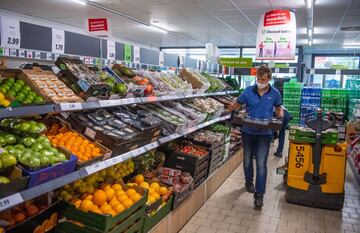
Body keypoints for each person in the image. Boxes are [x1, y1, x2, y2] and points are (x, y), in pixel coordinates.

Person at [229, 65, 283, 208]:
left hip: (264, 134)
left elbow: (278, 108)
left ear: (269, 79)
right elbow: (237, 105)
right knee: (247, 161)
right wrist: (233, 107)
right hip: (248, 132)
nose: (260, 81)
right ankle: (248, 181)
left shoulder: (275, 93)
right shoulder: (248, 91)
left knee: (261, 164)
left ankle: (259, 195)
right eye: (258, 79)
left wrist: (280, 115)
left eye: (263, 79)